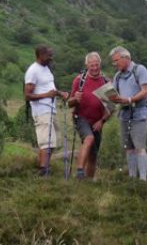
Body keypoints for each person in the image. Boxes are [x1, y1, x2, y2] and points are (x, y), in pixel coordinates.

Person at [24, 45, 68, 176]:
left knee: (55, 141)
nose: (51, 58)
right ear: (41, 55)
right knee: (46, 142)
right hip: (41, 111)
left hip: (51, 109)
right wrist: (46, 95)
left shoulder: (46, 69)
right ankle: (44, 170)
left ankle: (41, 164)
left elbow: (49, 89)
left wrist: (60, 93)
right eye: (49, 55)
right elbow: (27, 95)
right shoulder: (33, 71)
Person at [108, 46, 147, 181]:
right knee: (129, 148)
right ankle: (132, 178)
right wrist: (110, 97)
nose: (115, 64)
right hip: (124, 114)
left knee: (140, 147)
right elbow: (115, 95)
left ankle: (143, 180)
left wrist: (129, 99)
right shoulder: (117, 76)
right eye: (113, 62)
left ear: (126, 58)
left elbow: (145, 91)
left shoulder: (140, 69)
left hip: (139, 113)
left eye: (116, 61)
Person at [68, 52, 110, 180]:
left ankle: (88, 183)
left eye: (97, 65)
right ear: (87, 65)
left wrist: (101, 121)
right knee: (89, 138)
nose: (95, 68)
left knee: (93, 155)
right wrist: (75, 99)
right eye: (92, 65)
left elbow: (110, 107)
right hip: (81, 117)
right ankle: (80, 171)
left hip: (97, 120)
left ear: (100, 64)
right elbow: (69, 103)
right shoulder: (80, 80)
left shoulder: (105, 81)